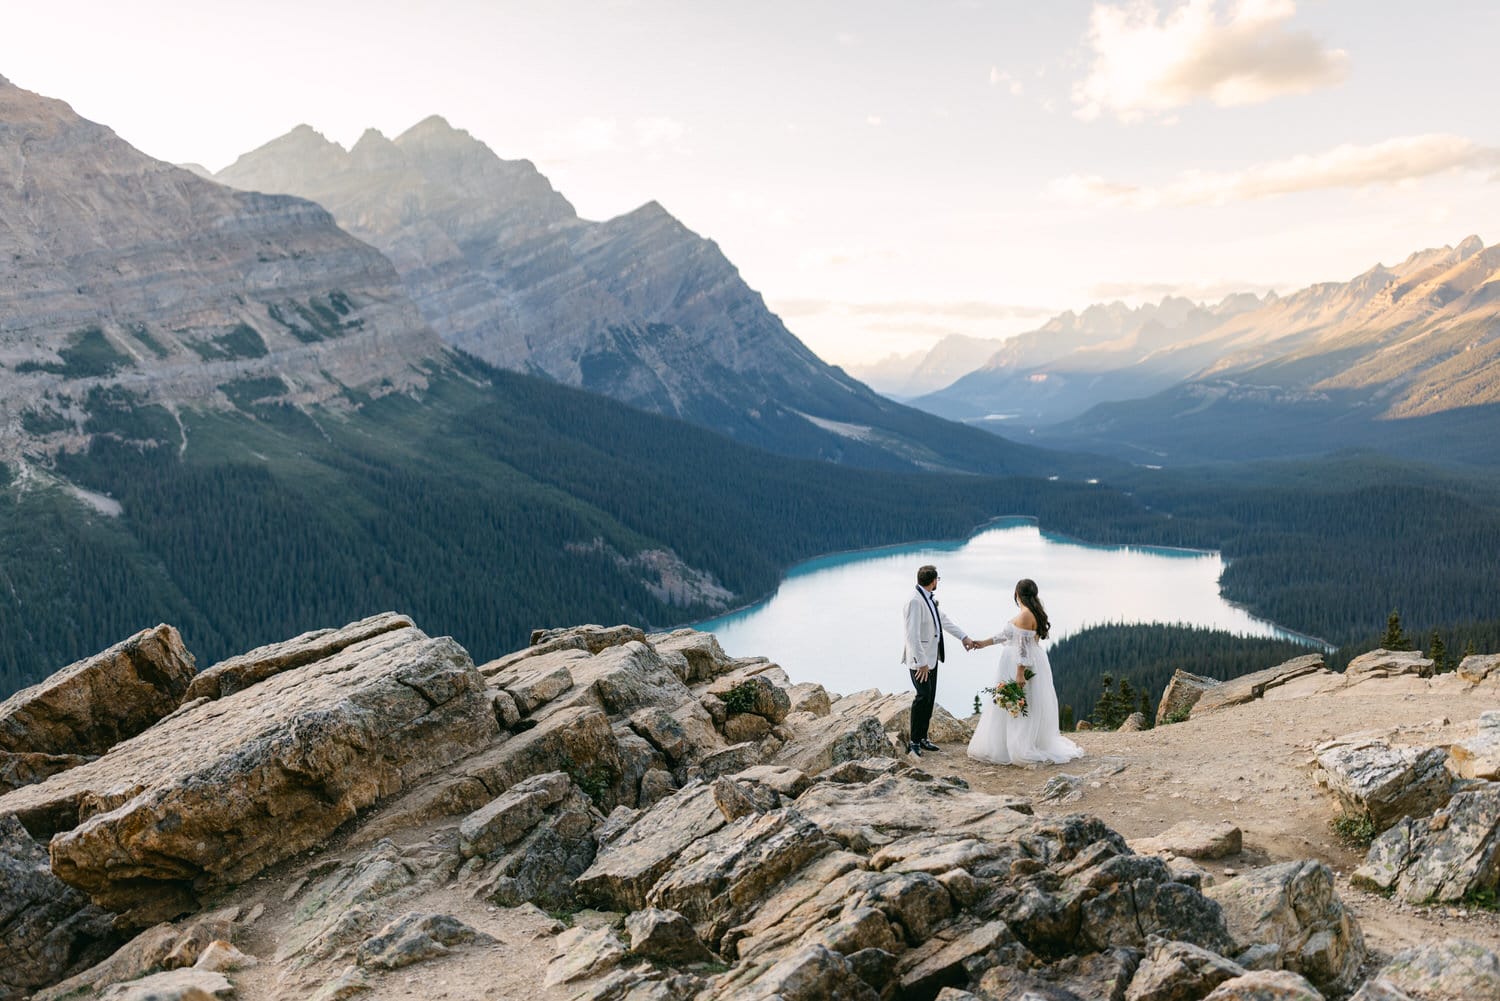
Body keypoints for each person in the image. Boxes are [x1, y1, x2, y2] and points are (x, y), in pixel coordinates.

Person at [967, 578, 1083, 766]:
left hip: (1020, 665)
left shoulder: (1025, 616)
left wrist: (1020, 672)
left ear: (1017, 594)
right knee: (1022, 702)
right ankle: (1014, 742)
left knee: (1019, 702)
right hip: (1030, 662)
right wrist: (983, 643)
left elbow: (1023, 649)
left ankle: (1017, 745)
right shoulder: (1031, 612)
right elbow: (1006, 635)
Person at [902, 564, 974, 756]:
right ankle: (914, 742)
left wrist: (963, 637)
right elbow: (912, 636)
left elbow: (944, 621)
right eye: (937, 579)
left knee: (930, 698)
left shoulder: (928, 599)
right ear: (933, 581)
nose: (937, 582)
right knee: (922, 697)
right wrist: (921, 662)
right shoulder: (915, 601)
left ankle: (923, 738)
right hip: (921, 662)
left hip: (931, 659)